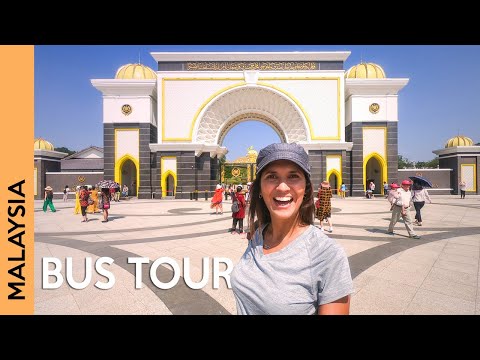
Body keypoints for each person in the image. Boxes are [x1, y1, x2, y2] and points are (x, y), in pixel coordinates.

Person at [231, 143, 354, 315]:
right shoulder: (259, 235)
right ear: (260, 188)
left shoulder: (328, 255)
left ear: (306, 188)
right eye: (272, 176)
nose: (282, 187)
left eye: (293, 176)